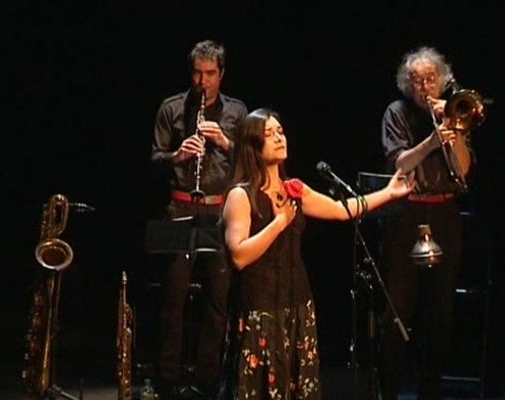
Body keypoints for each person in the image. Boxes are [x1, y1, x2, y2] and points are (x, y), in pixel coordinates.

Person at [221, 108, 413, 400]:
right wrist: (279, 223)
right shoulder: (241, 195)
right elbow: (239, 255)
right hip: (259, 308)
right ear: (253, 145)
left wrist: (389, 192)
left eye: (280, 131)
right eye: (269, 134)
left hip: (297, 303)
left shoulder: (294, 189)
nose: (279, 138)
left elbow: (341, 210)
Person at [150, 39, 248, 399]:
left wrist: (224, 142)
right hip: (180, 208)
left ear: (221, 74)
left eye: (210, 74)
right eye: (196, 73)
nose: (202, 82)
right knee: (173, 300)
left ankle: (209, 381)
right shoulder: (172, 108)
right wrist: (177, 155)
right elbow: (154, 158)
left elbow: (250, 163)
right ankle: (167, 380)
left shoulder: (237, 112)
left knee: (217, 301)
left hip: (221, 210)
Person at [378, 46, 476, 400]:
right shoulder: (397, 112)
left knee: (441, 311)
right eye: (417, 80)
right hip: (408, 214)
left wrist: (454, 130)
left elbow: (463, 170)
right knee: (398, 310)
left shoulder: (454, 114)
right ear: (408, 84)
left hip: (445, 213)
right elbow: (401, 163)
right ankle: (388, 389)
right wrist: (432, 140)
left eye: (430, 79)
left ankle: (430, 388)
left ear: (442, 80)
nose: (424, 86)